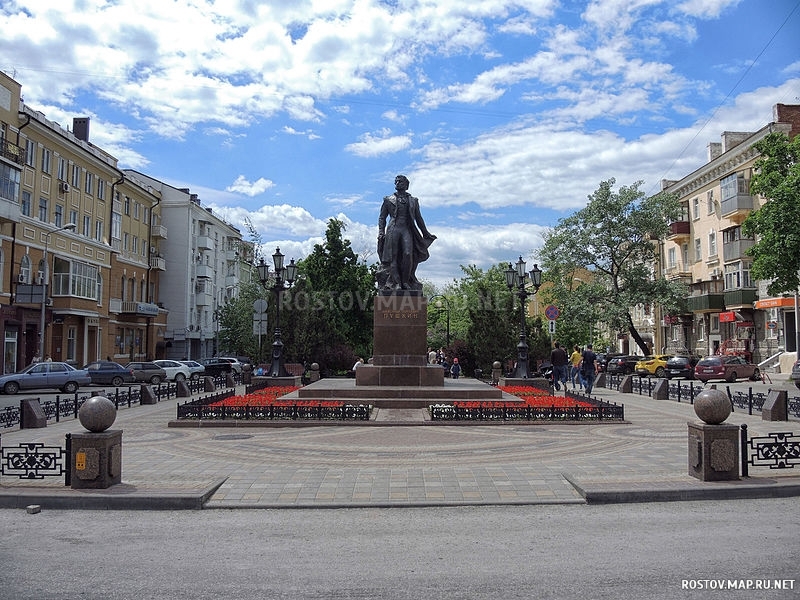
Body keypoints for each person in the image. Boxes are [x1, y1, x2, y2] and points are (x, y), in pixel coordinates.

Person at [377, 175, 437, 291]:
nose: (398, 183)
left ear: (406, 185)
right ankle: (397, 283)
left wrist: (425, 233)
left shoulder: (413, 201)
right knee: (393, 257)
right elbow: (382, 218)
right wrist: (381, 231)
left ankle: (406, 281)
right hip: (393, 229)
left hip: (407, 229)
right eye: (396, 181)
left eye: (400, 181)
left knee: (408, 254)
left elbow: (419, 219)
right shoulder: (388, 199)